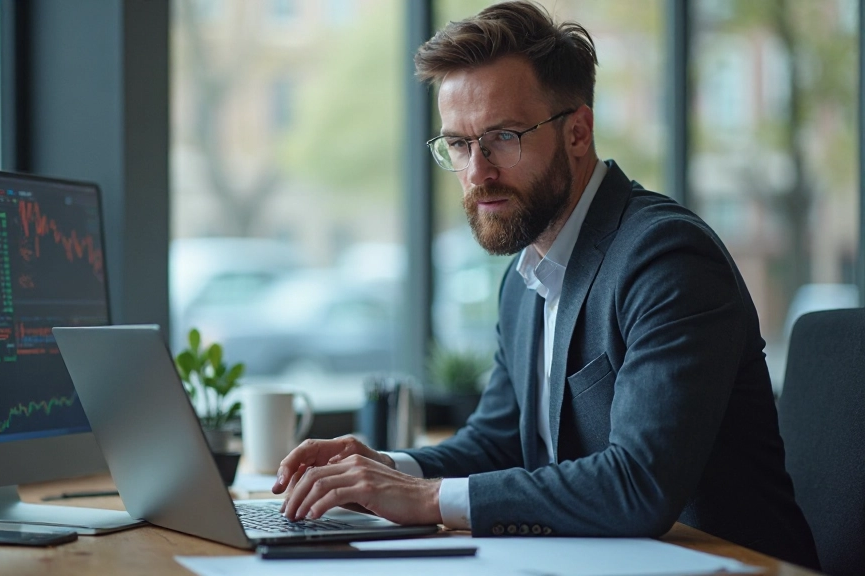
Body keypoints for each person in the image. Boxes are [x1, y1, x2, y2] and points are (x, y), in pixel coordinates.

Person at [271, 1, 819, 568]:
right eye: (458, 144)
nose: (477, 172)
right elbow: (499, 442)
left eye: (503, 137)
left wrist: (427, 499)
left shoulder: (667, 258)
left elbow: (640, 484)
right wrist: (385, 470)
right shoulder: (525, 276)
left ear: (577, 132)